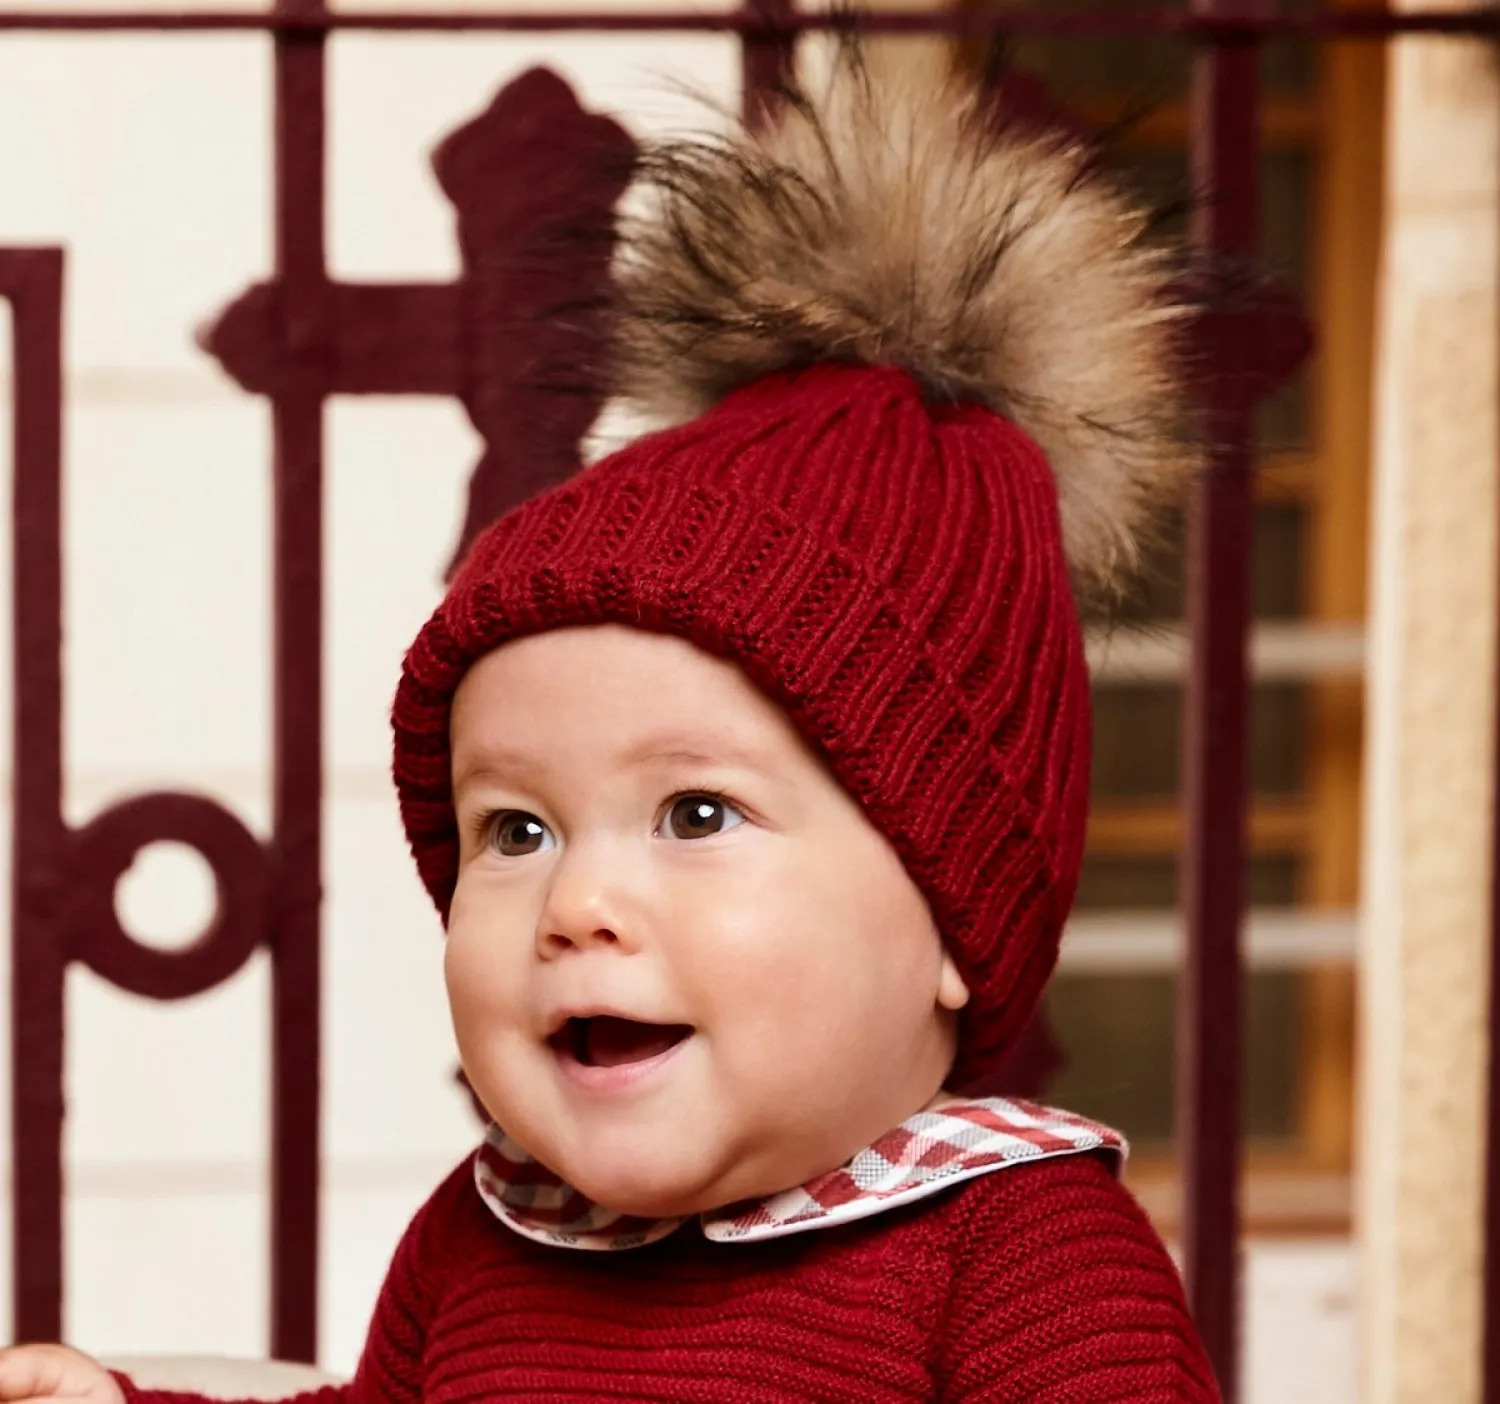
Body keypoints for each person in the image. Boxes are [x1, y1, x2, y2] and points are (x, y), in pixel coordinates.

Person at [0, 42, 1221, 1403]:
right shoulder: (492, 1239)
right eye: (514, 827)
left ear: (950, 919)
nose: (577, 900)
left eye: (697, 814)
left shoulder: (1018, 1258)